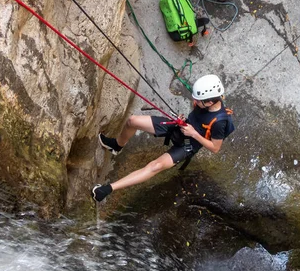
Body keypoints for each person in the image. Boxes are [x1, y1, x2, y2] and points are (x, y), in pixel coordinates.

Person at [91, 75, 235, 202]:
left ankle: (107, 189)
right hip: (182, 127)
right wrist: (184, 121)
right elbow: (196, 114)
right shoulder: (203, 102)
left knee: (155, 166)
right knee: (133, 121)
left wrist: (193, 133)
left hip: (189, 144)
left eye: (198, 100)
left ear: (210, 102)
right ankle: (117, 145)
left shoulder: (220, 122)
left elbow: (215, 148)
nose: (194, 101)